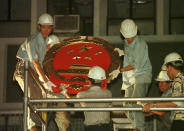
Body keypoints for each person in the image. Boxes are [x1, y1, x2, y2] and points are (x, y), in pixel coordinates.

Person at [13, 13, 56, 131]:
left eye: (49, 27)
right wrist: (46, 81)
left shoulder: (47, 41)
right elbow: (35, 63)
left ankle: (39, 124)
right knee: (33, 96)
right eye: (44, 26)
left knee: (43, 97)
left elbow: (45, 64)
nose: (46, 29)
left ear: (52, 28)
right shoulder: (32, 41)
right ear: (39, 27)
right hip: (24, 69)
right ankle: (33, 126)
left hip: (35, 71)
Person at [110, 19, 152, 131]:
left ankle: (139, 128)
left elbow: (136, 64)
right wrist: (122, 52)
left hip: (141, 77)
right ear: (123, 34)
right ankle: (134, 126)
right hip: (130, 78)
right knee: (127, 104)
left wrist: (120, 71)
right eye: (127, 37)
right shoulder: (127, 42)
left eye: (131, 36)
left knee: (136, 102)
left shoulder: (141, 44)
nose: (130, 38)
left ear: (136, 32)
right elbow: (130, 55)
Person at [142, 52, 184, 131]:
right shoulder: (181, 79)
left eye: (167, 69)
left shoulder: (178, 81)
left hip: (181, 121)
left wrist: (152, 105)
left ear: (170, 67)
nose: (167, 72)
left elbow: (175, 103)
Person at [76, 66, 112, 131]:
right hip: (106, 128)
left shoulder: (81, 95)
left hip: (92, 128)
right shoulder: (108, 93)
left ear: (89, 81)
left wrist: (65, 92)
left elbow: (75, 107)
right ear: (102, 81)